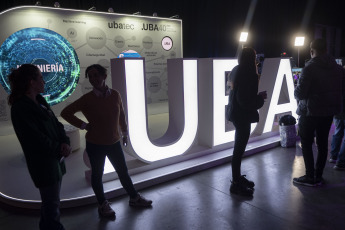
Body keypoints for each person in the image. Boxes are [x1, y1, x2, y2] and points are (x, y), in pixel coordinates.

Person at [61, 64, 152, 219]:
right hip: (95, 145)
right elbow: (66, 112)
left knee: (123, 172)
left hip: (114, 143)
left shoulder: (115, 95)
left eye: (96, 75)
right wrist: (83, 125)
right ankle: (103, 204)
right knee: (97, 175)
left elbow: (121, 115)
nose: (93, 79)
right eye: (90, 76)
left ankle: (134, 198)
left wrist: (124, 133)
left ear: (104, 76)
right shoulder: (87, 99)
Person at [8, 64, 71, 230]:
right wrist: (59, 148)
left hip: (55, 160)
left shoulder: (41, 101)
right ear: (31, 82)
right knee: (52, 204)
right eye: (41, 77)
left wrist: (65, 142)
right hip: (43, 164)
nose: (44, 81)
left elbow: (57, 125)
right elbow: (34, 139)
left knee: (51, 203)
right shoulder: (20, 108)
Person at [293, 38, 345, 186]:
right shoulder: (338, 69)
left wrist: (297, 88)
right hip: (328, 112)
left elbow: (300, 94)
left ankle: (310, 176)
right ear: (326, 50)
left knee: (307, 143)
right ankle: (318, 176)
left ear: (311, 51)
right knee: (322, 144)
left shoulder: (309, 68)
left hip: (310, 112)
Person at [227, 47, 267, 196]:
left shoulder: (236, 70)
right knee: (239, 150)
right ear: (252, 58)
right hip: (242, 115)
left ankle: (237, 179)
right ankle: (236, 183)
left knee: (238, 149)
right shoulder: (249, 73)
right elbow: (245, 100)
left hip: (236, 114)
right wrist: (260, 99)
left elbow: (238, 96)